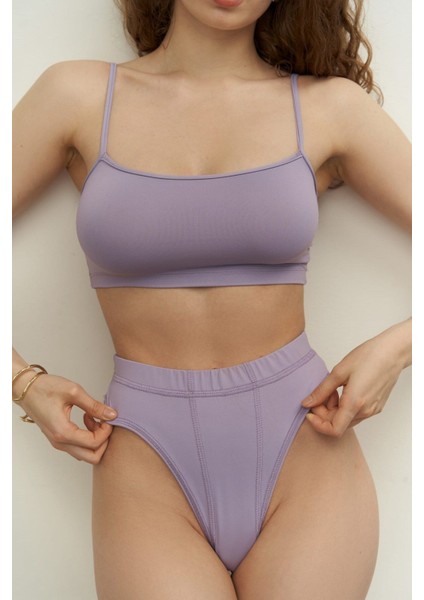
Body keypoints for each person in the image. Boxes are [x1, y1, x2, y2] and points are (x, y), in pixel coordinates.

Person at [12, 0, 411, 598]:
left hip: (304, 447)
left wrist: (398, 348)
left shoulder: (330, 108)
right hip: (145, 458)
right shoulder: (76, 96)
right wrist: (22, 381)